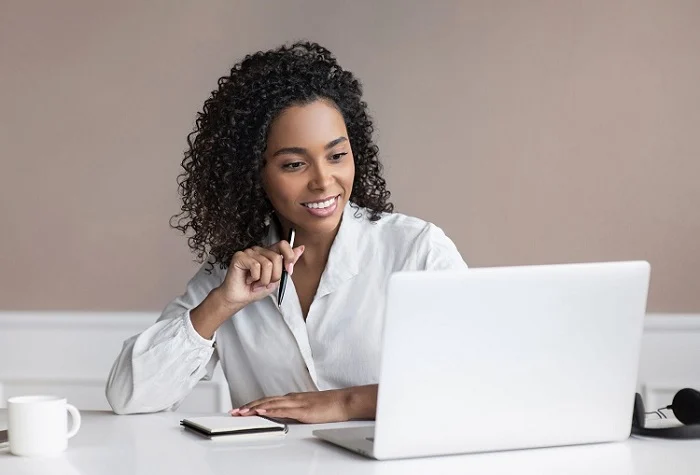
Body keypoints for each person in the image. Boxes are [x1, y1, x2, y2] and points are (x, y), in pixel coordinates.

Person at [105, 41, 467, 423]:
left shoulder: (416, 252)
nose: (324, 180)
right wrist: (222, 305)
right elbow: (129, 396)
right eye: (294, 164)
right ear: (252, 173)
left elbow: (475, 380)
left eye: (337, 156)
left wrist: (346, 403)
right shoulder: (230, 277)